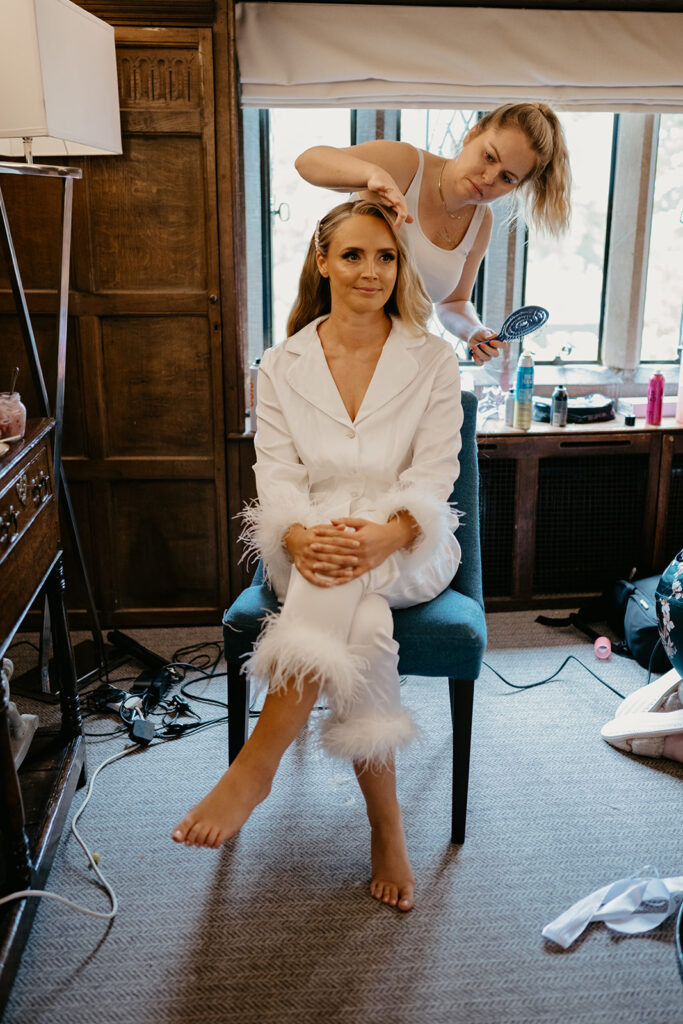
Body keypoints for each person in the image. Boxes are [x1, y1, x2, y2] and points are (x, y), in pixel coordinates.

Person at [172, 199, 465, 912]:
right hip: (308, 544)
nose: (372, 271)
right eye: (355, 255)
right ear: (322, 259)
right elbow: (276, 477)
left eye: (386, 256)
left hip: (412, 542)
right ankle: (385, 825)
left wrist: (391, 533)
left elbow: (434, 476)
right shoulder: (280, 364)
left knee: (355, 592)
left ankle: (258, 761)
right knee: (358, 623)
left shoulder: (432, 359)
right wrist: (299, 535)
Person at [295, 102, 571, 364]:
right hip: (334, 351)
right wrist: (371, 173)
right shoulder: (404, 164)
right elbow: (307, 161)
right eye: (488, 157)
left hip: (401, 364)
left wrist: (473, 331)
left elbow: (453, 302)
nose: (489, 179)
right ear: (471, 135)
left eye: (507, 178)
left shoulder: (480, 223)